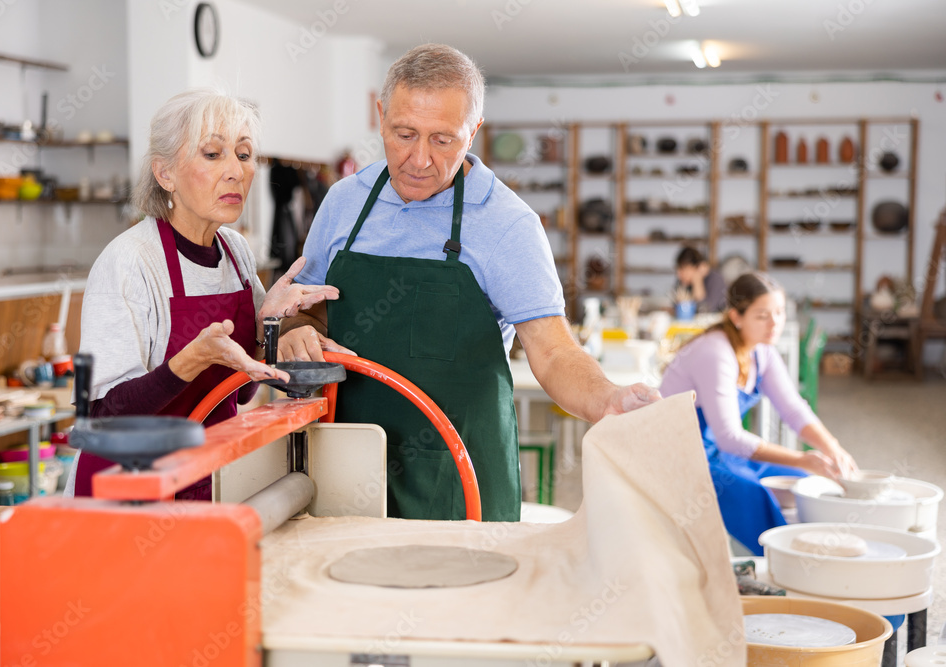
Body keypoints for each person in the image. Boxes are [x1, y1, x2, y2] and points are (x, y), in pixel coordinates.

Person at [277, 44, 660, 522]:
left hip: (457, 477)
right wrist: (296, 331)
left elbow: (554, 352)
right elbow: (311, 307)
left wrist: (608, 399)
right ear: (380, 115)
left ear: (474, 132)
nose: (419, 159)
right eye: (404, 134)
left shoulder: (506, 223)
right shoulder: (342, 203)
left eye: (443, 140)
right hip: (348, 462)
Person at [66, 89, 339, 499]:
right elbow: (103, 416)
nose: (235, 171)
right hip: (127, 488)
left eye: (244, 155)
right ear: (165, 173)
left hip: (208, 474)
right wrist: (190, 361)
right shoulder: (130, 261)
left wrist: (271, 326)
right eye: (212, 154)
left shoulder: (236, 253)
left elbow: (242, 390)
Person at [659, 272, 857, 555]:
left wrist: (833, 448)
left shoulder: (761, 351)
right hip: (677, 456)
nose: (774, 323)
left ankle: (815, 554)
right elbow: (730, 438)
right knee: (756, 494)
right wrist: (803, 457)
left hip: (717, 451)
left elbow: (793, 408)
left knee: (805, 481)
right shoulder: (715, 352)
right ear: (736, 317)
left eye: (779, 312)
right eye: (762, 315)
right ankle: (777, 568)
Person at [675, 246, 728, 313]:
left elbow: (704, 310)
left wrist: (697, 281)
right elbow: (677, 306)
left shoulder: (716, 280)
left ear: (698, 267)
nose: (679, 275)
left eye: (683, 269)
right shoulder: (684, 283)